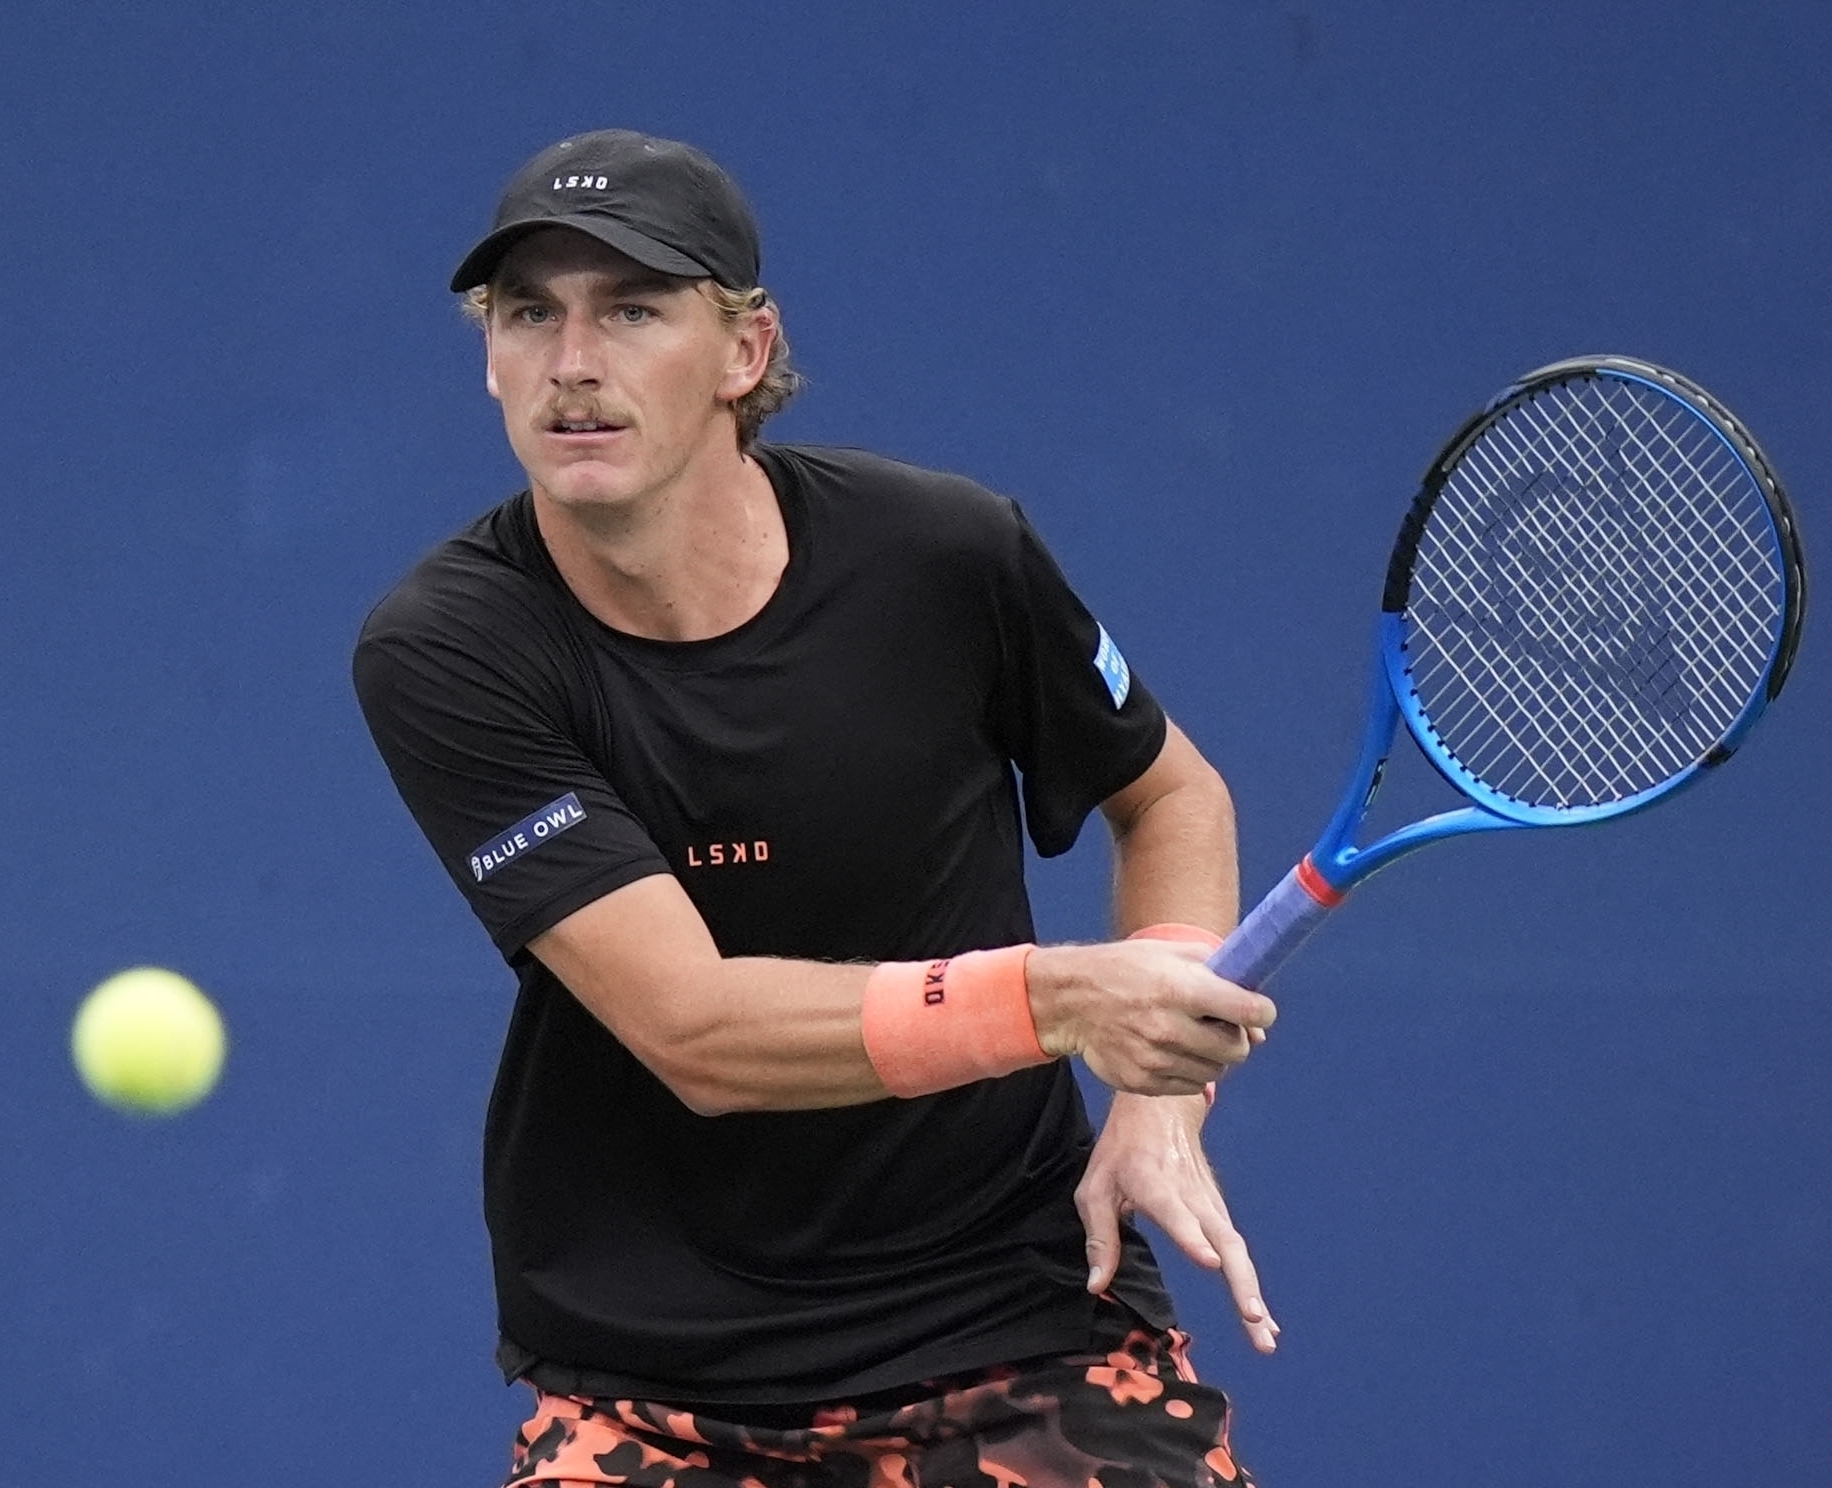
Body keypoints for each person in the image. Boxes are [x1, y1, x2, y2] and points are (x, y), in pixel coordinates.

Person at [353, 128, 1279, 1488]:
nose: (573, 362)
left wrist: (1161, 1096)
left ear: (745, 350)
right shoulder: (450, 649)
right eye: (529, 313)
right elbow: (697, 1032)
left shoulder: (949, 555)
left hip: (1024, 1328)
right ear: (489, 355)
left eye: (634, 310)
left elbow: (1172, 794)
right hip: (657, 1394)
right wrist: (1067, 998)